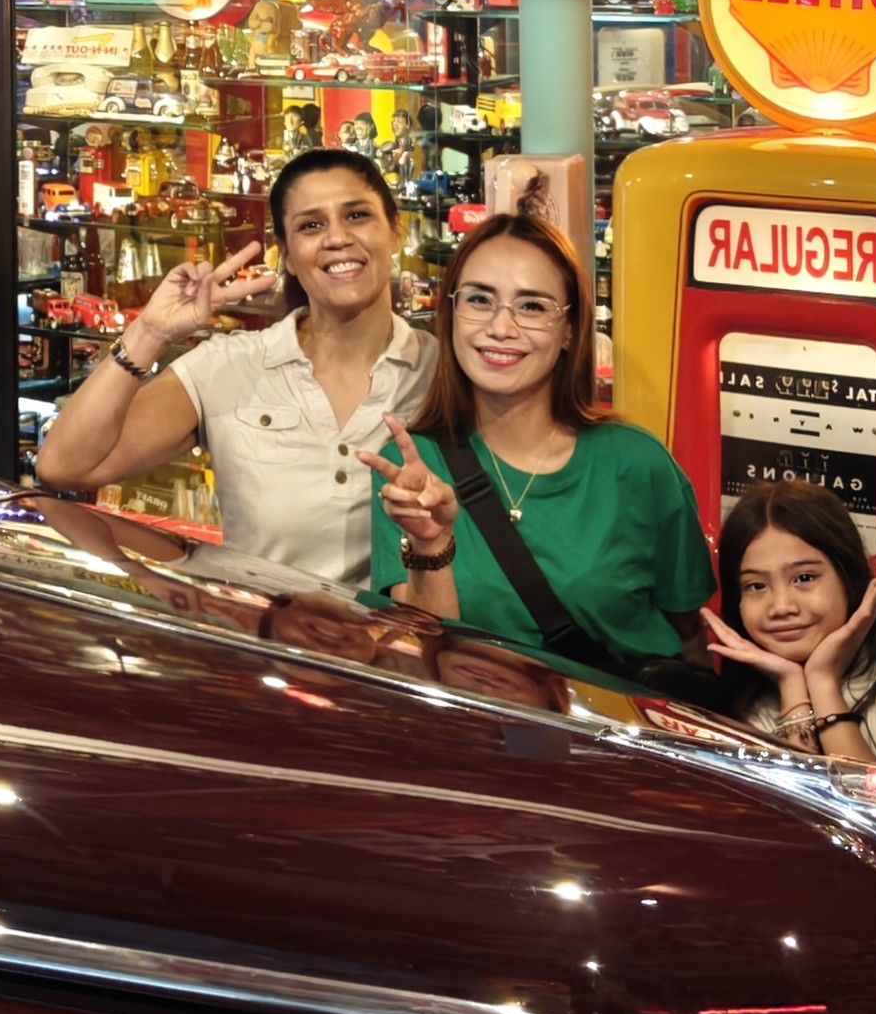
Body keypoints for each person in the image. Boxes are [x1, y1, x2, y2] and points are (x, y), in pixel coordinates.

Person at [36, 147, 435, 589]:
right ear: (287, 256)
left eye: (357, 215)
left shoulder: (443, 373)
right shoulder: (229, 366)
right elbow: (64, 467)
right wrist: (149, 332)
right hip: (260, 628)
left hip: (401, 631)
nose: (337, 237)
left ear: (394, 231)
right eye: (311, 225)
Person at [364, 211, 716, 674]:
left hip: (616, 718)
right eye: (479, 300)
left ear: (569, 330)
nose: (501, 327)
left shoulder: (637, 463)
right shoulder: (412, 469)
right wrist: (432, 546)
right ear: (451, 315)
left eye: (531, 306)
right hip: (483, 716)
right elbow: (426, 656)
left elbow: (691, 638)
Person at [704, 479, 876, 763]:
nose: (781, 607)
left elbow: (865, 793)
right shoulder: (739, 702)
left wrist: (823, 682)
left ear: (849, 577)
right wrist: (792, 686)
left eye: (804, 578)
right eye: (756, 585)